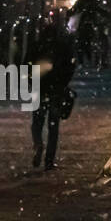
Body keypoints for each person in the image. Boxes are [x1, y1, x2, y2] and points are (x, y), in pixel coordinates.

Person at [30, 18, 76, 171]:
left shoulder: (36, 46)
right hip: (56, 90)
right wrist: (63, 82)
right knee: (53, 125)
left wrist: (31, 81)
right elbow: (70, 66)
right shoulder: (62, 48)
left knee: (37, 121)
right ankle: (49, 160)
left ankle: (38, 144)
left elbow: (25, 64)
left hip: (39, 88)